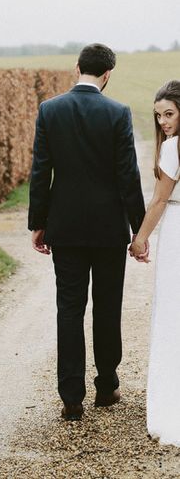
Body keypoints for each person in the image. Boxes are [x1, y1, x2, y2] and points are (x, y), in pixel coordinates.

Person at [28, 43, 146, 421]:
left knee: (69, 308)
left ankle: (71, 396)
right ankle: (107, 385)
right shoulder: (118, 112)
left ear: (77, 67)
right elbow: (128, 175)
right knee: (107, 306)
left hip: (65, 228)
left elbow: (40, 171)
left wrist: (39, 223)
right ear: (108, 74)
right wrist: (140, 228)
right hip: (110, 230)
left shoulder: (50, 110)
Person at [129, 80, 180, 445]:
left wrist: (140, 238)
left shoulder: (174, 148)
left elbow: (160, 201)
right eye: (158, 115)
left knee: (172, 314)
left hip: (177, 231)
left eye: (170, 113)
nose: (163, 122)